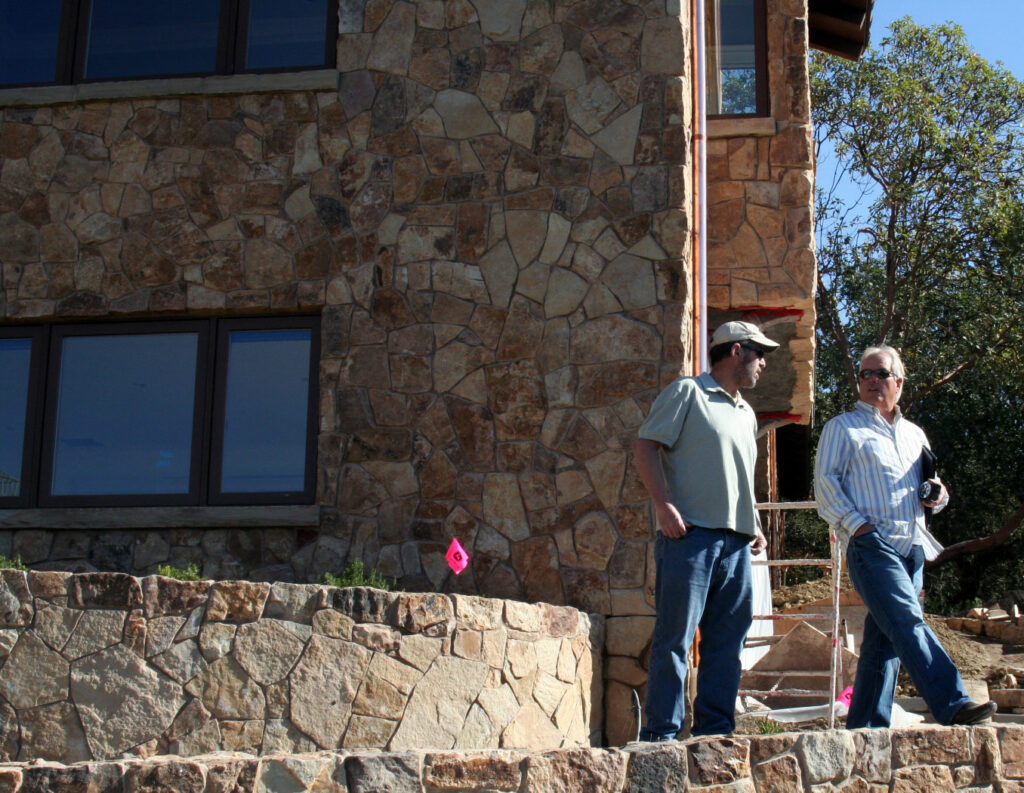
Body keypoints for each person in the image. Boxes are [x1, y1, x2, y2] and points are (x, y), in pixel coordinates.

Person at [815, 345, 997, 727]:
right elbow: (825, 487)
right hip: (871, 544)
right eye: (865, 374)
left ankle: (865, 726)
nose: (872, 381)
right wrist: (859, 528)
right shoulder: (842, 428)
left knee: (886, 641)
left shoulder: (916, 435)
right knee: (908, 620)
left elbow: (934, 491)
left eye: (881, 374)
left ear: (898, 382)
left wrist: (938, 494)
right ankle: (952, 702)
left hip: (913, 545)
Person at [634, 321, 773, 740]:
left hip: (736, 546)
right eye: (758, 352)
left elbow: (738, 475)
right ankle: (661, 736)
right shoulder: (688, 393)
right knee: (675, 640)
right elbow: (644, 445)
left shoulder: (747, 413)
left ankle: (715, 733)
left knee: (727, 646)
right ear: (735, 351)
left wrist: (756, 522)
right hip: (689, 540)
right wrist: (663, 506)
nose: (763, 362)